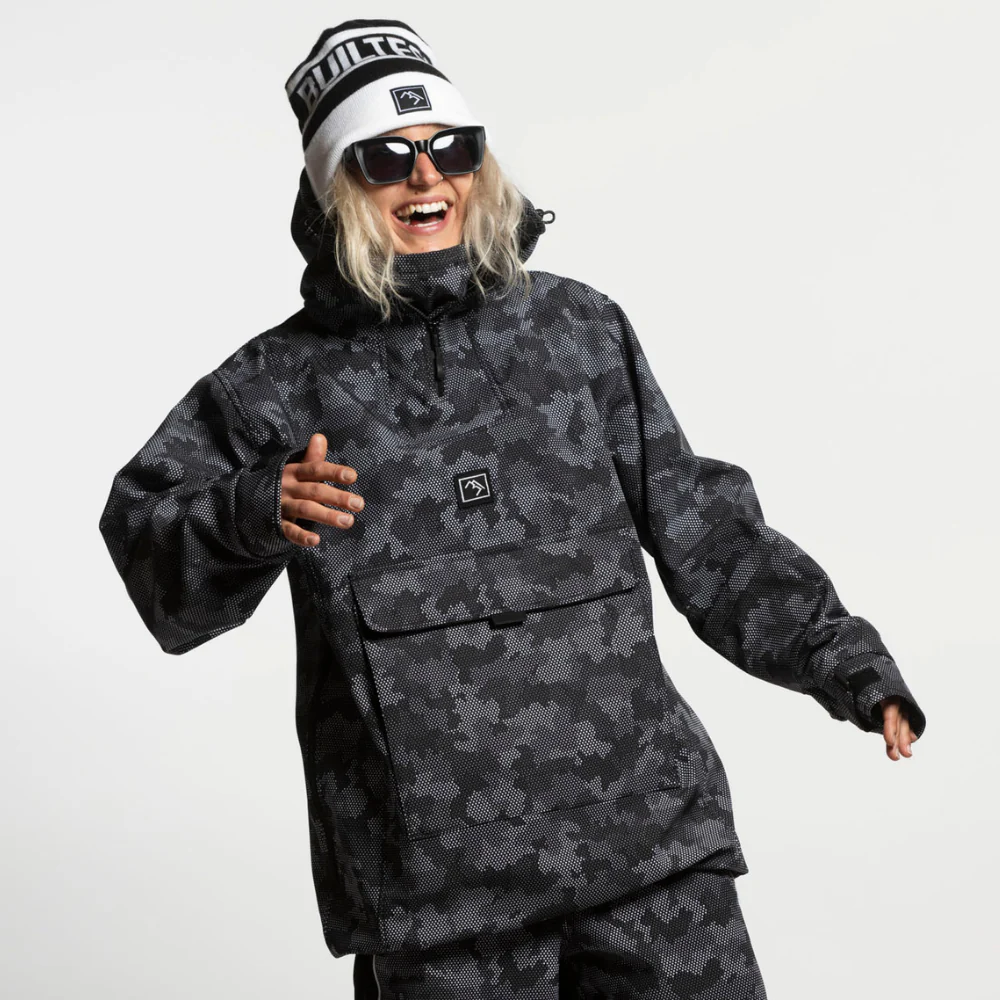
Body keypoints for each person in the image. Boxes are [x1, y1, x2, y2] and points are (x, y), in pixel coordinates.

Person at [98, 18, 927, 999]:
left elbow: (705, 528)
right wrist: (252, 510)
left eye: (453, 147)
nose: (426, 177)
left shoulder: (580, 330)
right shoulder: (278, 385)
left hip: (652, 853)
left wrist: (847, 663)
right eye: (384, 158)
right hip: (440, 903)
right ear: (333, 189)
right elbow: (152, 558)